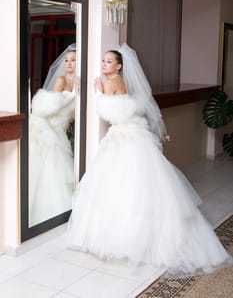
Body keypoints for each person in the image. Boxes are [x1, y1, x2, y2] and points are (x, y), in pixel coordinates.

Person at [66, 43, 232, 277]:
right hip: (123, 137)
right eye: (103, 61)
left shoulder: (114, 82)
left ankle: (131, 241)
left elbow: (117, 114)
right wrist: (101, 93)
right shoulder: (113, 82)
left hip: (125, 138)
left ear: (119, 66)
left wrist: (98, 94)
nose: (104, 65)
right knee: (125, 186)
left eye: (109, 61)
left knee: (130, 187)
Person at [29, 44, 78, 226]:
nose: (69, 63)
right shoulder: (61, 80)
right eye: (67, 60)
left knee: (54, 173)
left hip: (59, 131)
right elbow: (45, 109)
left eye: (73, 60)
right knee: (48, 171)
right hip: (45, 129)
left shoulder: (79, 82)